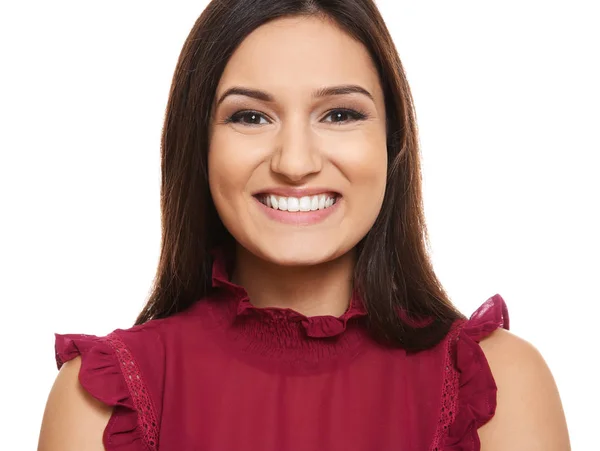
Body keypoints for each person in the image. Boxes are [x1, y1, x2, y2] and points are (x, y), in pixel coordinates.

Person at [38, 1, 571, 450]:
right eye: (250, 116)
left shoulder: (500, 386)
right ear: (198, 147)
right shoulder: (100, 401)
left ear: (393, 143)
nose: (295, 162)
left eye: (340, 114)